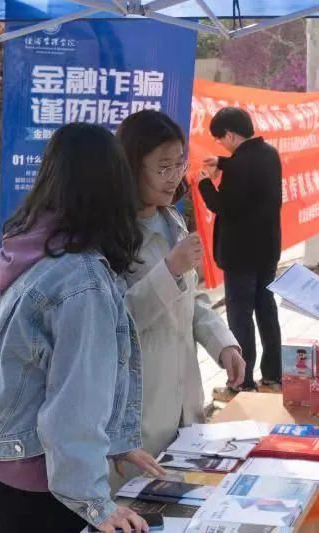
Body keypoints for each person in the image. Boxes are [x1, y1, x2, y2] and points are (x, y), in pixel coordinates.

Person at [0, 123, 166, 533]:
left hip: (6, 475)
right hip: (45, 491)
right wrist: (95, 504)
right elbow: (73, 406)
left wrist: (117, 443)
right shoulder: (81, 280)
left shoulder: (27, 248)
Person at [113, 110, 246, 475]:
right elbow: (115, 324)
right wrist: (169, 269)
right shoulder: (110, 236)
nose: (174, 177)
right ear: (131, 166)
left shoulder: (171, 219)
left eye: (178, 165)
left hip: (185, 401)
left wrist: (223, 344)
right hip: (140, 413)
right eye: (163, 167)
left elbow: (192, 298)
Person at [198, 107, 283, 401]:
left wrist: (204, 182)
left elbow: (222, 205)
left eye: (221, 140)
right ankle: (273, 376)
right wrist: (223, 162)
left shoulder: (238, 166)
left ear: (231, 135)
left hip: (240, 256)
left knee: (240, 317)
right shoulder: (269, 154)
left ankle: (242, 383)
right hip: (267, 251)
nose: (222, 145)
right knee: (266, 311)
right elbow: (248, 170)